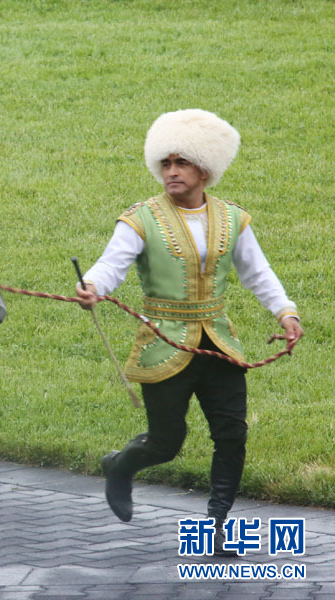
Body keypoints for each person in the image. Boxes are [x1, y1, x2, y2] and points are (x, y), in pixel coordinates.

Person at [75, 109, 303, 555]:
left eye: (181, 163)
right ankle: (120, 466)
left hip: (219, 345)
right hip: (163, 345)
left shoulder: (233, 219)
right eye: (165, 163)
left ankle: (216, 525)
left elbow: (258, 272)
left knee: (232, 435)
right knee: (166, 443)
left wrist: (285, 313)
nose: (171, 172)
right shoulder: (140, 219)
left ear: (205, 170)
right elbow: (111, 264)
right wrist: (93, 287)